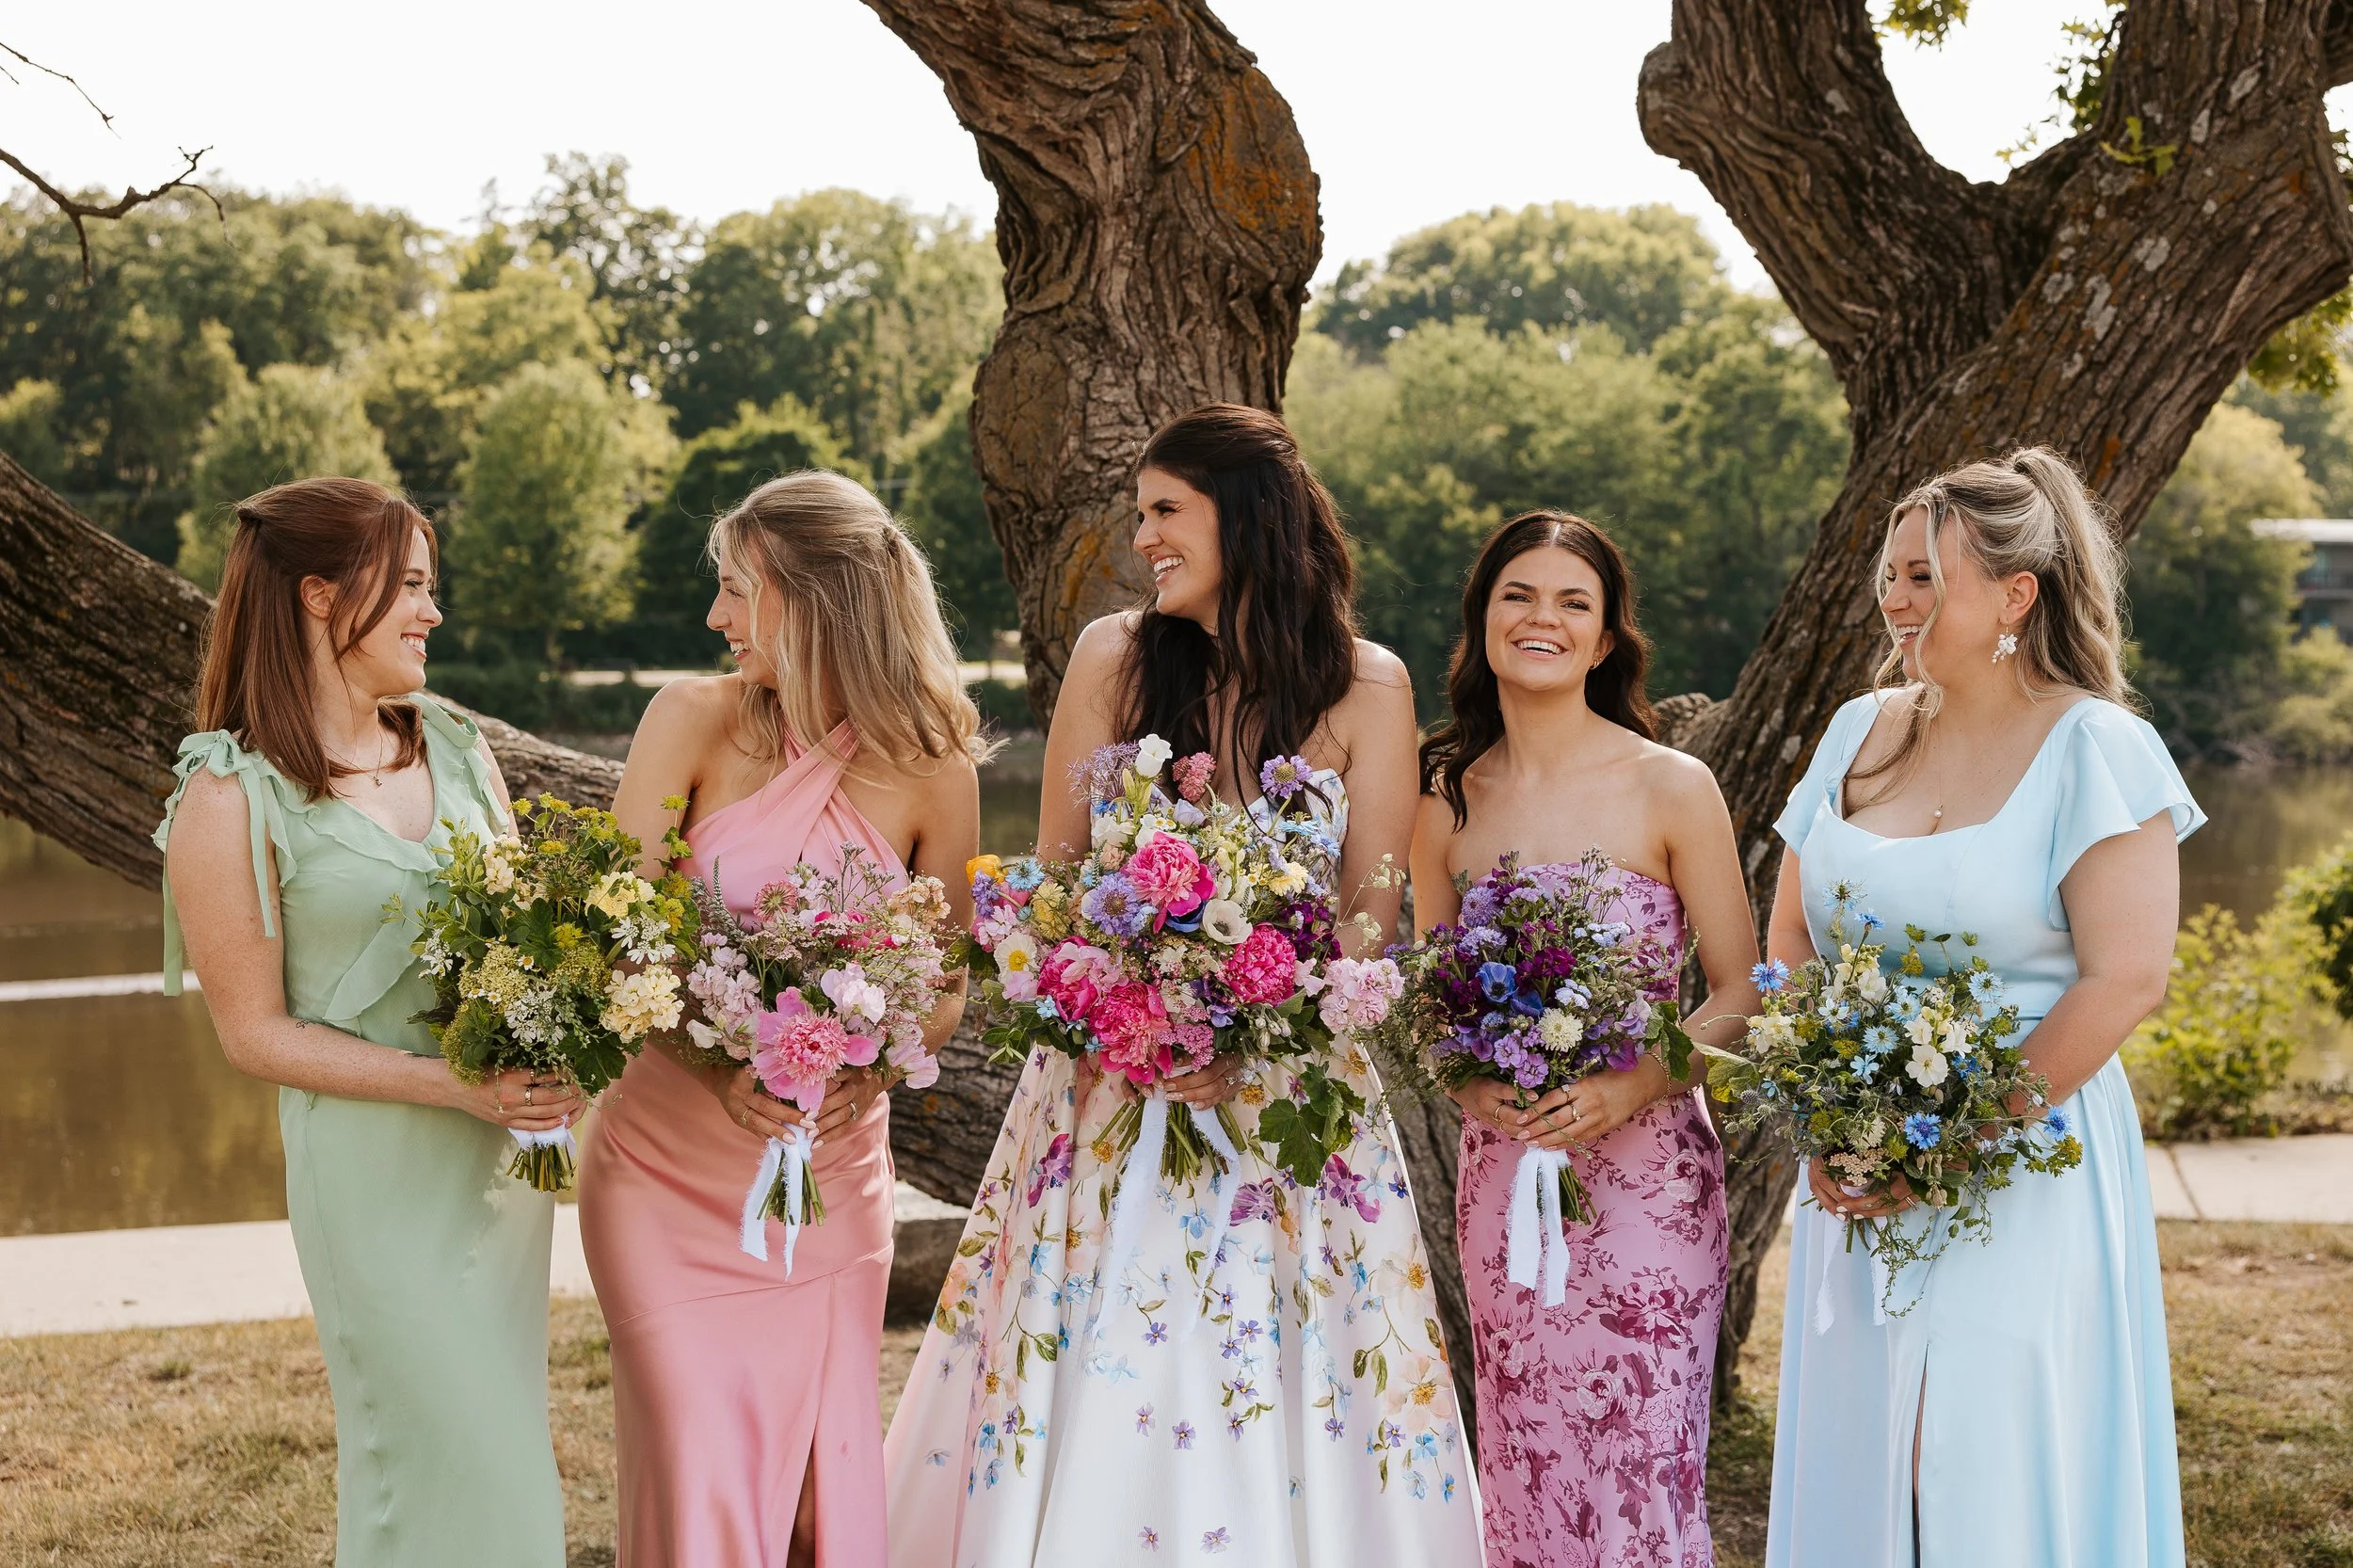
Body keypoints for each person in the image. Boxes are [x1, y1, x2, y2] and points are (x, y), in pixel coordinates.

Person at [883, 405, 1485, 1566]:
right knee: (1116, 1350)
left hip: (1289, 1106)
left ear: (1244, 518)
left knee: (1267, 1362)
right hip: (1106, 1093)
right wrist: (1119, 1007)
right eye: (1139, 514)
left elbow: (1373, 905)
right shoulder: (1115, 655)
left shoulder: (1368, 685)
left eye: (1166, 511)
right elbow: (1053, 882)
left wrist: (1264, 1022)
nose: (1145, 537)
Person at [1763, 448, 2197, 1568]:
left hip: (2024, 1156)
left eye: (1924, 577)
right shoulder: (1856, 729)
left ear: (2014, 595)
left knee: (1971, 1451)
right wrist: (1835, 1119)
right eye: (1890, 575)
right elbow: (1793, 936)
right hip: (1857, 1159)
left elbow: (2124, 977)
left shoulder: (2095, 745)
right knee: (1868, 1450)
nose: (1896, 601)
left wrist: (1951, 1141)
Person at [157, 477, 574, 1567]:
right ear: (316, 596)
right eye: (413, 588)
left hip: (494, 1177)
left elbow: (530, 944)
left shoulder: (460, 750)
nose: (433, 613)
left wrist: (560, 1038)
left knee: (508, 1472)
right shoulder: (228, 794)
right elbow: (253, 1035)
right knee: (435, 1463)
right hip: (374, 1184)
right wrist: (451, 1084)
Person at [578, 470, 982, 1568]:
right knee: (695, 1458)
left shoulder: (934, 766)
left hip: (834, 1181)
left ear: (815, 600)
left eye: (735, 590)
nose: (714, 618)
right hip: (662, 1172)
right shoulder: (688, 720)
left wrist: (881, 1065)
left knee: (818, 1483)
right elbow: (623, 938)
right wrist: (718, 1071)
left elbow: (943, 980)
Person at [1411, 511, 1754, 1567]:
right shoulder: (1443, 801)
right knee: (1527, 1458)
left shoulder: (1670, 785)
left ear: (1605, 641)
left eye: (1574, 602)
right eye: (1519, 594)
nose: (1542, 618)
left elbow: (1743, 990)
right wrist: (1470, 1088)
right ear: (1482, 619)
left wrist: (1642, 1078)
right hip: (1504, 1174)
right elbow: (1428, 1003)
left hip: (1650, 1183)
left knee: (1640, 1453)